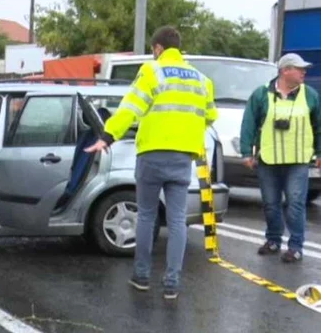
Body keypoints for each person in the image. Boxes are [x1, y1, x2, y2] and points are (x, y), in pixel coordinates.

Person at [84, 26, 217, 299]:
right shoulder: (203, 80)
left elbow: (130, 109)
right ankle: (172, 284)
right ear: (177, 48)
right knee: (177, 220)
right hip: (183, 156)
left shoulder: (151, 72)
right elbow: (210, 116)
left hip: (152, 155)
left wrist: (108, 136)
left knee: (145, 215)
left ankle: (142, 277)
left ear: (157, 48)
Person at [239, 53, 321, 263]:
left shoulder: (310, 95)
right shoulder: (261, 94)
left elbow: (319, 126)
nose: (304, 72)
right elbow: (248, 123)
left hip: (298, 161)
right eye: (299, 68)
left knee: (295, 204)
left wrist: (320, 153)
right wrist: (246, 152)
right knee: (270, 204)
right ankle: (273, 240)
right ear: (285, 71)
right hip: (269, 160)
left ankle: (295, 246)